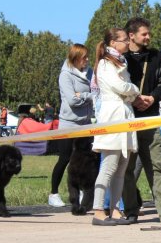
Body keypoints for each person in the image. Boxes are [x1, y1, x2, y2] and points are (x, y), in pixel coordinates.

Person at [119, 18, 161, 228]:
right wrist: (133, 99)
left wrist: (152, 98)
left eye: (148, 33)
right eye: (144, 34)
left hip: (152, 119)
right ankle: (130, 210)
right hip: (128, 120)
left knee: (158, 168)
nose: (148, 37)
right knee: (126, 169)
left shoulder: (156, 57)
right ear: (132, 35)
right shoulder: (121, 58)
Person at [90, 28, 140, 226]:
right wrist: (134, 90)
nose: (128, 42)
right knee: (108, 166)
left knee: (121, 168)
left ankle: (115, 209)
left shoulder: (121, 63)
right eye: (124, 40)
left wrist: (129, 92)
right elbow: (121, 88)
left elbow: (125, 90)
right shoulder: (105, 64)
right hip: (112, 118)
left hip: (125, 117)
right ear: (113, 42)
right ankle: (98, 210)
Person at [49, 44, 94, 208]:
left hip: (86, 124)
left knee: (84, 160)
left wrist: (83, 95)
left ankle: (81, 191)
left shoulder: (90, 72)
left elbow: (96, 93)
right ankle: (53, 193)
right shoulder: (65, 75)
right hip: (68, 123)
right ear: (75, 59)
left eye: (88, 56)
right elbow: (72, 100)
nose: (87, 60)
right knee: (65, 159)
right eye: (84, 57)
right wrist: (89, 97)